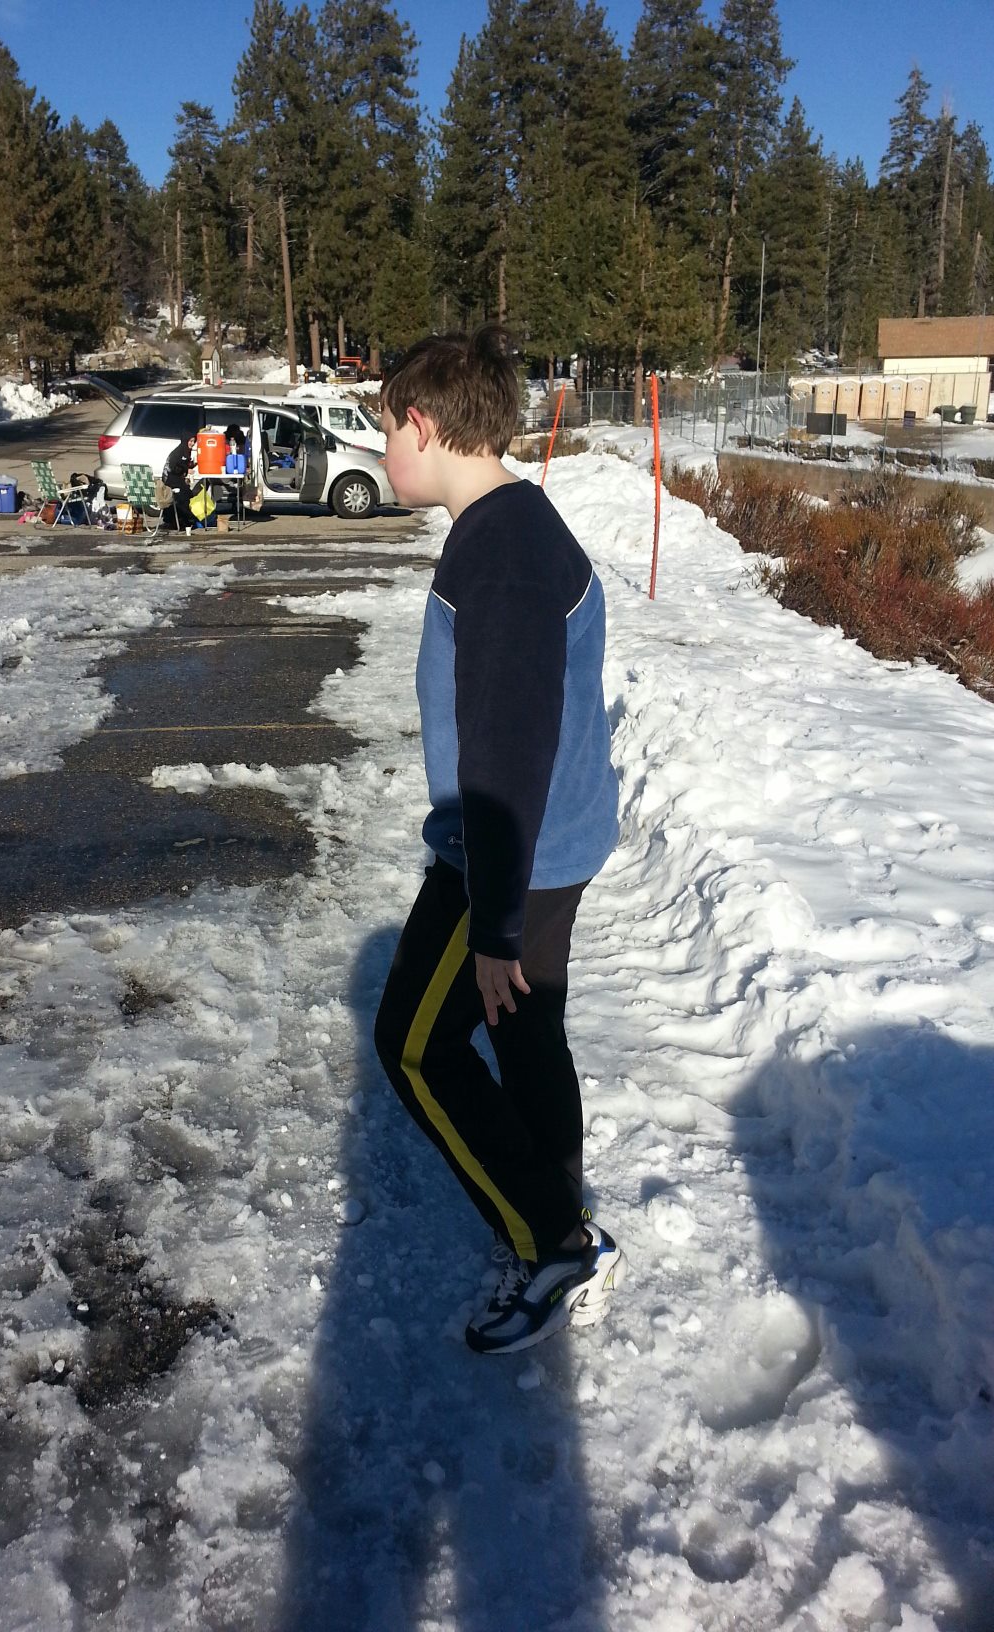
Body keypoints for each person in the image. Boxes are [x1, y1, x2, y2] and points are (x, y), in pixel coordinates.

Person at [373, 324, 626, 1357]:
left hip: (507, 857)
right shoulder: (509, 523)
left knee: (414, 1047)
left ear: (422, 426)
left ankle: (550, 1243)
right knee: (525, 1038)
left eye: (384, 430)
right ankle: (556, 1211)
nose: (382, 450)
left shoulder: (504, 556)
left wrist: (494, 926)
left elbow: (509, 749)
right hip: (538, 849)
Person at [161, 434, 200, 534]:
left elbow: (183, 465)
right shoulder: (178, 452)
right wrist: (186, 470)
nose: (192, 443)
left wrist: (192, 465)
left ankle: (181, 520)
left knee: (187, 492)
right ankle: (185, 521)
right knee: (184, 495)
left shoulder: (185, 451)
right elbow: (174, 467)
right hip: (170, 479)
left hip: (177, 479)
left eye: (193, 441)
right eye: (190, 441)